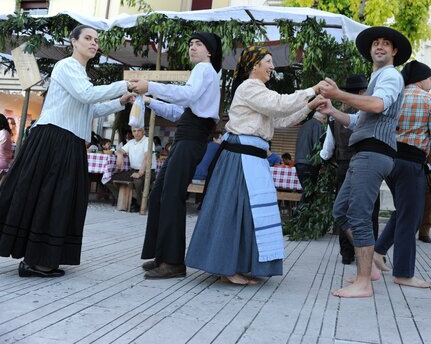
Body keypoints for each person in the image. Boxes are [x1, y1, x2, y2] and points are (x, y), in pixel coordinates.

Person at [185, 46, 326, 285]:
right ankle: (227, 268)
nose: (272, 67)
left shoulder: (260, 92)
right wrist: (312, 90)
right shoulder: (249, 87)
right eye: (268, 62)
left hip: (252, 159)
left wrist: (309, 106)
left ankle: (236, 264)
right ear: (254, 65)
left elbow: (281, 120)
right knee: (234, 211)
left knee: (250, 213)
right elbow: (281, 105)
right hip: (240, 159)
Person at [0, 24, 133, 278]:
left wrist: (119, 101)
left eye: (96, 40)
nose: (94, 43)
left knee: (57, 199)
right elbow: (86, 95)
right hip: (55, 139)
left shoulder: (80, 73)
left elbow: (90, 110)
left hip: (67, 141)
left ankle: (41, 258)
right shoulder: (67, 66)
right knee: (51, 197)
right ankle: (36, 260)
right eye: (88, 38)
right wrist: (123, 84)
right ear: (73, 41)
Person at [318, 26, 411, 298]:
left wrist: (338, 94)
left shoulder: (390, 75)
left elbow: (378, 105)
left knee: (358, 215)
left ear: (394, 51)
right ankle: (369, 268)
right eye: (375, 43)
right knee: (341, 212)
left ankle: (363, 282)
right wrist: (333, 110)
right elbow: (358, 120)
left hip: (373, 153)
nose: (379, 46)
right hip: (365, 153)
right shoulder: (377, 78)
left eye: (385, 44)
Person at [129, 31, 223, 279]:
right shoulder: (203, 74)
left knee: (171, 194)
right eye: (190, 43)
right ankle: (162, 256)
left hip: (191, 139)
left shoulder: (204, 69)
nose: (192, 47)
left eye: (198, 44)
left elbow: (186, 96)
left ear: (209, 51)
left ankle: (173, 262)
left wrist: (151, 86)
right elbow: (179, 112)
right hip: (185, 138)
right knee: (160, 193)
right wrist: (149, 101)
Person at [371, 60, 431, 289]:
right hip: (411, 163)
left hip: (388, 160)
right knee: (412, 217)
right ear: (420, 79)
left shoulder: (393, 96)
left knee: (405, 211)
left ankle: (379, 251)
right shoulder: (429, 100)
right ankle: (403, 273)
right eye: (430, 79)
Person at [320, 74, 380, 265]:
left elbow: (326, 152)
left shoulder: (334, 119)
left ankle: (347, 254)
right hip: (367, 166)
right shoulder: (369, 116)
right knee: (369, 211)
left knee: (344, 210)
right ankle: (370, 254)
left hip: (344, 166)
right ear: (362, 93)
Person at [107, 126, 157, 212]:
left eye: (139, 131)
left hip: (148, 171)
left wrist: (140, 173)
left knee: (138, 181)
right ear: (132, 132)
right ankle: (129, 200)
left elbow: (147, 157)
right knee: (108, 179)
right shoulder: (131, 142)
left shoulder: (148, 140)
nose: (136, 133)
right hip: (134, 170)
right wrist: (119, 155)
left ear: (143, 132)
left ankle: (139, 203)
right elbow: (119, 150)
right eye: (134, 131)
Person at [294, 111, 327, 191]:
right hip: (309, 163)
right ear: (323, 118)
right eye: (326, 120)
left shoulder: (304, 125)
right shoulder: (318, 125)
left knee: (306, 190)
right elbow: (317, 145)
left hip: (299, 161)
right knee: (310, 191)